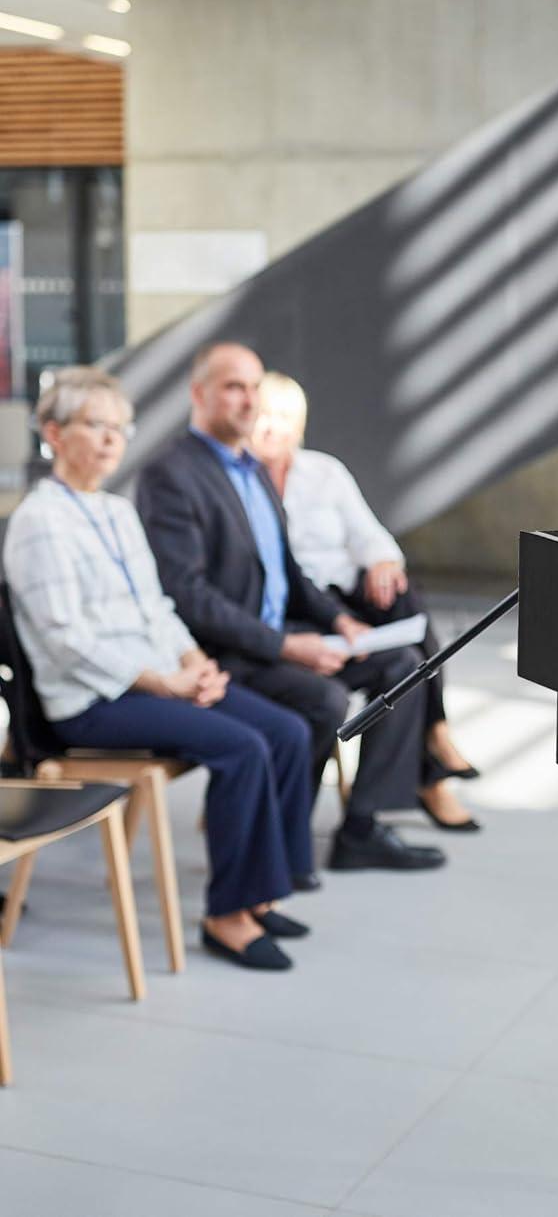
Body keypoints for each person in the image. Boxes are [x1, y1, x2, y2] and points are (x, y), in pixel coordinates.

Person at [3, 366, 313, 971]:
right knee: (244, 748)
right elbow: (68, 641)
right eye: (96, 425)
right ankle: (227, 917)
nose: (112, 440)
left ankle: (261, 892)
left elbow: (158, 609)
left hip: (156, 682)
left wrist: (196, 662)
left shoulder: (117, 512)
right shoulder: (40, 521)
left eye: (120, 428)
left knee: (288, 732)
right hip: (92, 702)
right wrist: (163, 681)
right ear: (53, 432)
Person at [135, 342, 445, 875]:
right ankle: (281, 842)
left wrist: (337, 620)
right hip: (225, 650)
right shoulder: (174, 473)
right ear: (199, 393)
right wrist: (286, 646)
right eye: (234, 387)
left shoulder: (248, 471)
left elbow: (288, 572)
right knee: (322, 699)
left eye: (254, 388)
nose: (248, 401)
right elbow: (187, 595)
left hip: (281, 631)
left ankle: (361, 827)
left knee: (404, 668)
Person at [249, 371, 480, 831]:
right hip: (298, 605)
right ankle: (429, 771)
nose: (272, 427)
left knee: (402, 593)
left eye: (284, 417)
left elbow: (368, 532)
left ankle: (436, 730)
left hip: (346, 592)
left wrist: (382, 563)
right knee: (405, 661)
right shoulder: (237, 481)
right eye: (263, 415)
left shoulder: (324, 471)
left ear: (299, 425)